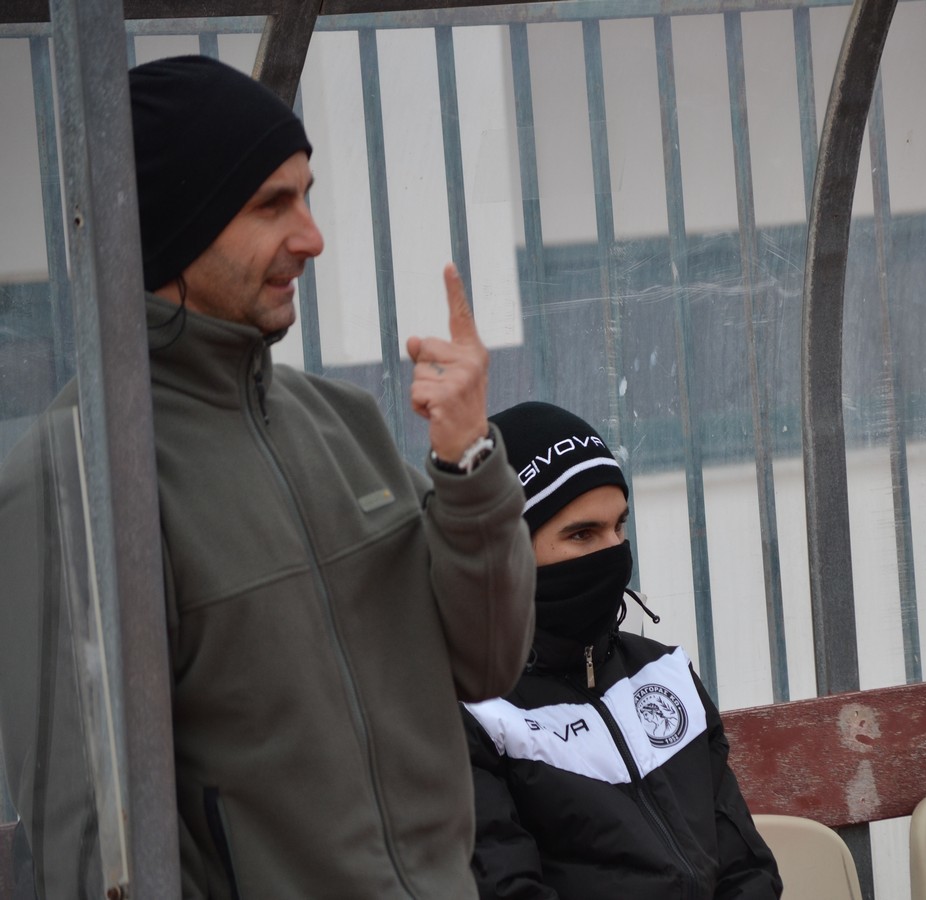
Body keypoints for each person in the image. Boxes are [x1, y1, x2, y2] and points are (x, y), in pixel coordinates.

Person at [0, 55, 535, 899]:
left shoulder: (344, 421)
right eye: (270, 205)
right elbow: (91, 849)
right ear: (173, 225)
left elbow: (491, 661)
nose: (312, 237)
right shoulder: (71, 480)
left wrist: (468, 467)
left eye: (307, 196)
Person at [461, 401, 783, 899]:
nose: (613, 552)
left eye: (619, 526)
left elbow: (745, 868)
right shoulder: (471, 714)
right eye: (582, 534)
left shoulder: (663, 673)